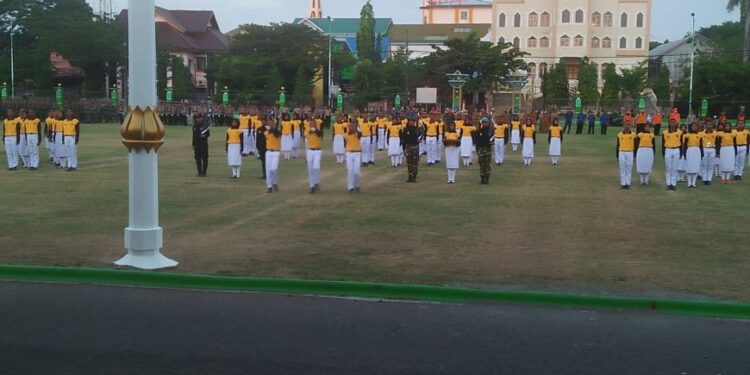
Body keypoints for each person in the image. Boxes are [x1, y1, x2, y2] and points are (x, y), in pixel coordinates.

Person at [662, 119, 682, 191]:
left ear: (676, 123)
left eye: (674, 122)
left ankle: (673, 184)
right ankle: (668, 184)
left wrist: (681, 153)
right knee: (668, 168)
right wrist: (663, 153)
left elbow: (681, 143)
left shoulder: (680, 132)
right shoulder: (665, 132)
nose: (673, 124)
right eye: (671, 122)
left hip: (676, 149)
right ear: (669, 123)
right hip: (668, 149)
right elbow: (663, 144)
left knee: (674, 168)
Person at [683, 122, 704, 188]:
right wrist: (684, 153)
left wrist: (702, 153)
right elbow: (685, 145)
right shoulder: (687, 135)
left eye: (695, 126)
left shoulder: (699, 135)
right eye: (693, 126)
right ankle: (689, 182)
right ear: (690, 127)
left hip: (697, 151)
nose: (694, 127)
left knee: (696, 166)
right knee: (689, 166)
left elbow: (701, 145)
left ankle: (694, 182)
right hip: (690, 150)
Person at [305, 116, 323, 193]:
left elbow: (320, 134)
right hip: (310, 151)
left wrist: (315, 130)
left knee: (316, 167)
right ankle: (312, 185)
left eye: (313, 124)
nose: (312, 125)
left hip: (317, 151)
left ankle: (316, 182)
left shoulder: (319, 131)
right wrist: (311, 130)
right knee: (310, 169)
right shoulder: (307, 132)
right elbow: (307, 135)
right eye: (311, 124)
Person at [401, 116, 422, 183]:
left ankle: (414, 176)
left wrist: (420, 139)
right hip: (408, 147)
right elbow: (404, 140)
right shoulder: (406, 129)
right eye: (410, 121)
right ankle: (410, 176)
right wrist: (404, 149)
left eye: (412, 121)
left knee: (415, 162)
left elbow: (421, 135)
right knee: (409, 162)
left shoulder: (417, 129)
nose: (411, 122)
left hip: (415, 147)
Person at [264, 115, 282, 193]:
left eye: (272, 123)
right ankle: (269, 186)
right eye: (269, 123)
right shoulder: (266, 132)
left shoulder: (277, 131)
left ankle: (274, 183)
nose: (270, 124)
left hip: (276, 152)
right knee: (268, 170)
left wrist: (273, 128)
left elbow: (277, 134)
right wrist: (270, 129)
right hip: (268, 152)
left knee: (273, 169)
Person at [616, 122, 636, 189]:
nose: (627, 126)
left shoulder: (633, 134)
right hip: (621, 152)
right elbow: (617, 145)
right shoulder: (620, 134)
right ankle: (623, 183)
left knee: (629, 168)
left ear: (630, 126)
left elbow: (636, 145)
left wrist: (635, 155)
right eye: (625, 124)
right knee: (622, 168)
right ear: (623, 125)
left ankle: (628, 183)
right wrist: (617, 155)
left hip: (630, 152)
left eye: (628, 124)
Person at [344, 121, 362, 193]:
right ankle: (350, 187)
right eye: (350, 126)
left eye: (353, 126)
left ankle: (357, 185)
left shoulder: (357, 134)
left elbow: (360, 134)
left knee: (357, 171)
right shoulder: (345, 135)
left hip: (357, 153)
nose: (351, 127)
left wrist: (357, 128)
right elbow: (345, 144)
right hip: (349, 154)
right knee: (350, 171)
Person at [475, 116, 494, 184]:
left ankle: (487, 178)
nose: (484, 123)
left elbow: (492, 140)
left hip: (487, 149)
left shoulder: (490, 131)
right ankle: (482, 178)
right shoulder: (479, 131)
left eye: (485, 122)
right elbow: (476, 141)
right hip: (481, 149)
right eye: (483, 122)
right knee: (481, 164)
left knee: (487, 164)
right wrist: (477, 149)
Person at [192, 113, 210, 177]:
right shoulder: (194, 126)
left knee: (205, 158)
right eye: (197, 118)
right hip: (197, 144)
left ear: (202, 118)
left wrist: (204, 136)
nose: (198, 119)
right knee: (197, 158)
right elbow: (193, 136)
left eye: (200, 118)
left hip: (203, 144)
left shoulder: (205, 125)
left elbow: (208, 134)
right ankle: (199, 172)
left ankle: (204, 172)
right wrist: (193, 144)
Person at [443, 118, 460, 184]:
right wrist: (447, 142)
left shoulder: (457, 134)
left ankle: (453, 179)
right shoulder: (446, 134)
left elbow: (459, 143)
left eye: (453, 126)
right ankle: (449, 178)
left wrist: (456, 142)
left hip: (455, 149)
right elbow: (444, 142)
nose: (452, 127)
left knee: (454, 163)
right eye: (450, 126)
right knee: (449, 164)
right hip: (448, 149)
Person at [701, 121, 718, 185]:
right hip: (704, 149)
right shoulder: (702, 133)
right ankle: (704, 179)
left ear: (712, 125)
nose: (709, 126)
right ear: (705, 125)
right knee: (704, 165)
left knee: (711, 165)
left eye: (710, 124)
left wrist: (717, 152)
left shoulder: (715, 133)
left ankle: (709, 179)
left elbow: (717, 143)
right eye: (707, 124)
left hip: (712, 149)